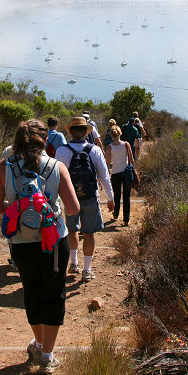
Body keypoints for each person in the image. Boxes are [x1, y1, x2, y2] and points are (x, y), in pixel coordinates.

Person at [0, 119, 80, 375]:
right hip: (54, 241)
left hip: (21, 242)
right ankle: (48, 356)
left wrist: (19, 207)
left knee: (31, 292)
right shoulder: (57, 167)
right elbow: (73, 209)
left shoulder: (3, 167)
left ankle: (38, 343)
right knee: (54, 294)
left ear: (17, 141)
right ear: (44, 142)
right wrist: (50, 208)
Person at [55, 116, 114, 281]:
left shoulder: (62, 151)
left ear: (72, 132)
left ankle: (73, 263)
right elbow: (104, 176)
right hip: (90, 197)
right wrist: (111, 198)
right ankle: (86, 270)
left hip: (70, 198)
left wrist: (57, 200)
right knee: (88, 233)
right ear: (85, 132)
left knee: (72, 230)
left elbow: (57, 178)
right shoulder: (94, 150)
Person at [105, 125, 134, 225]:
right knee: (127, 197)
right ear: (120, 133)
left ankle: (116, 214)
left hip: (115, 173)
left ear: (111, 135)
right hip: (126, 172)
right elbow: (132, 160)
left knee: (116, 195)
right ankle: (126, 220)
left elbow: (108, 162)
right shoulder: (126, 144)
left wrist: (107, 174)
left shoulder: (109, 147)